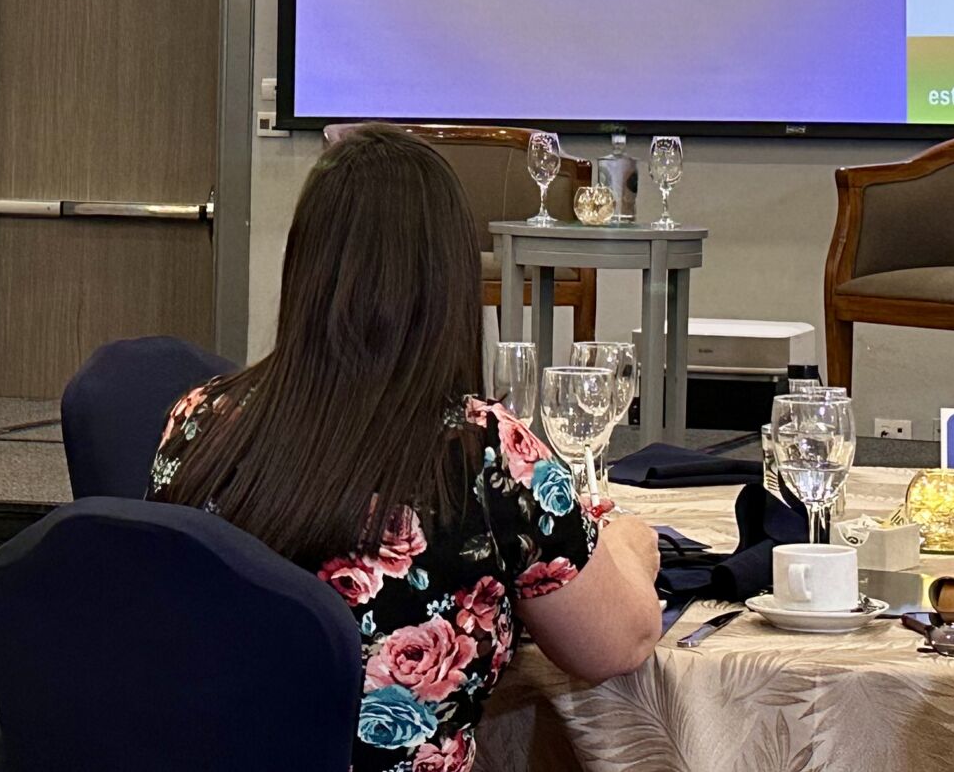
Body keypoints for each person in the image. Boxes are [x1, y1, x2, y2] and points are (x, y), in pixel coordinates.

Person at [152, 125, 661, 771]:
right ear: (449, 281)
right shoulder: (489, 455)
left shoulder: (198, 420)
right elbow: (619, 641)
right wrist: (628, 545)